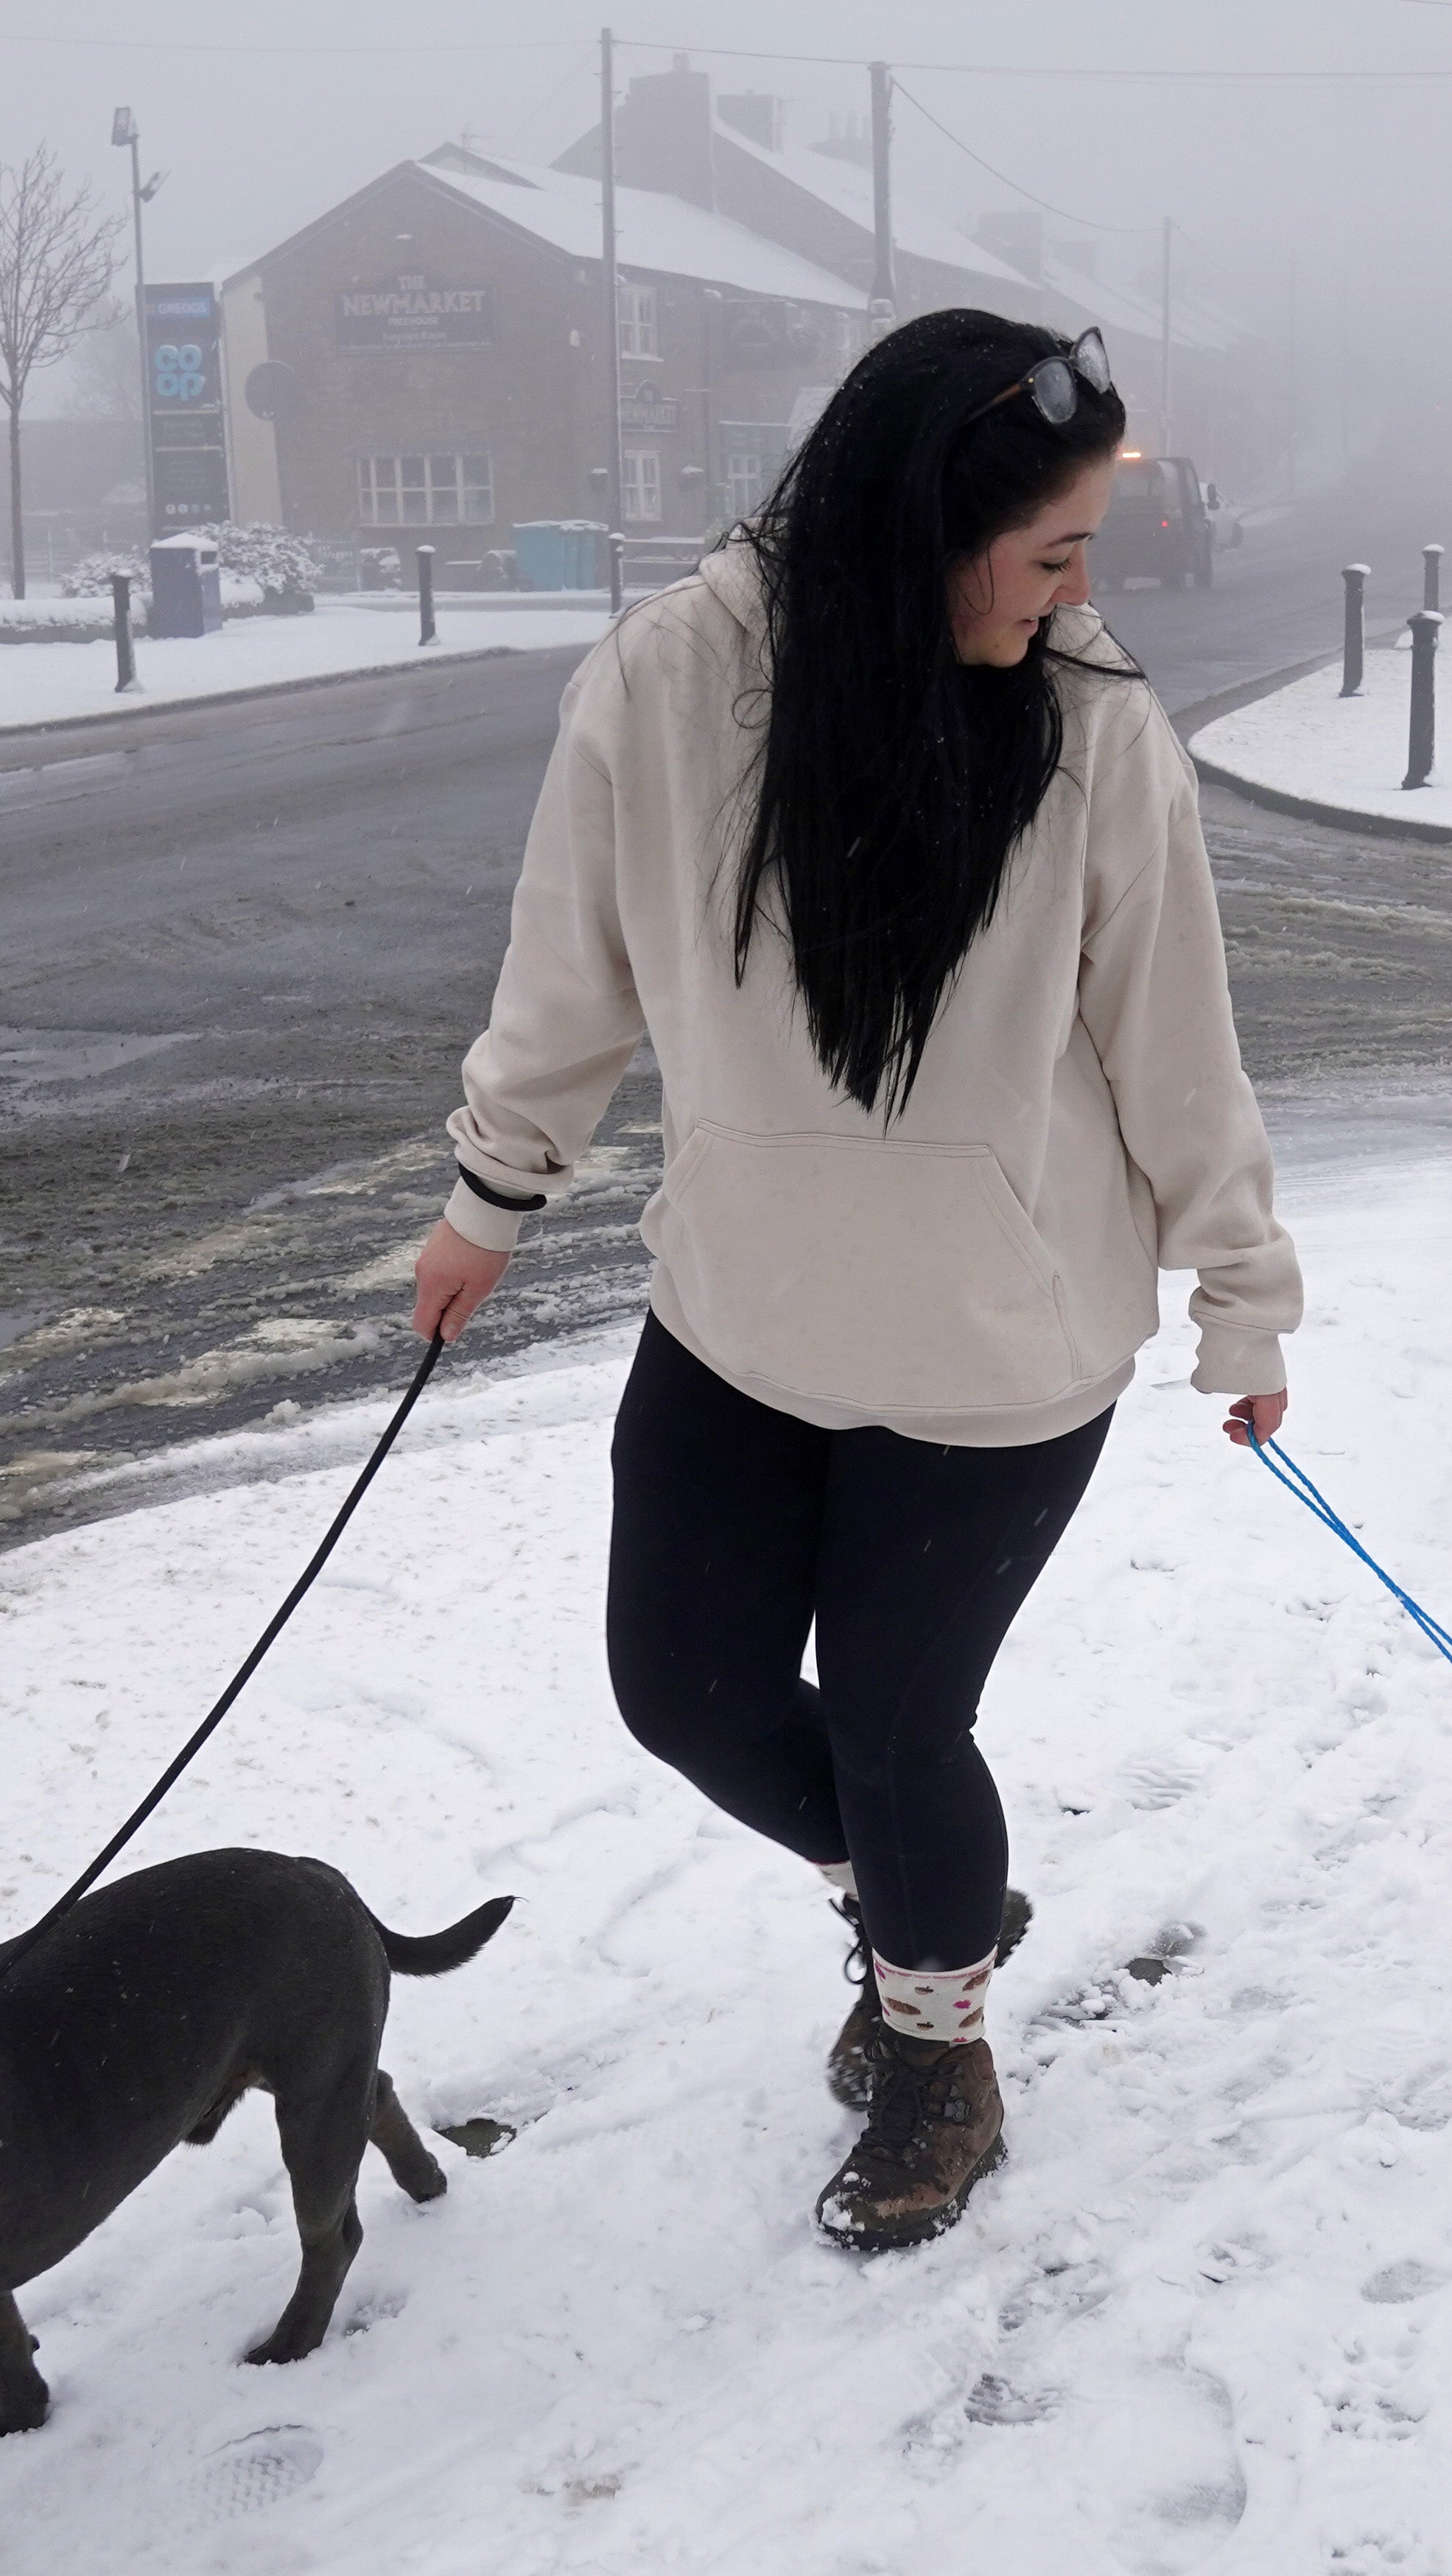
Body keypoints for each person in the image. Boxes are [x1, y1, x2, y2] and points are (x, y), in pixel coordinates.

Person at [405, 311, 1303, 2253]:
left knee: (904, 1725)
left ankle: (935, 2049)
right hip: (738, 1316)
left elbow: (1177, 1044)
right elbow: (573, 978)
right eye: (1050, 551)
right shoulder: (668, 685)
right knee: (685, 1691)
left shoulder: (1088, 728)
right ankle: (926, 1895)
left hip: (1001, 1349)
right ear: (917, 528)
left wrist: (1244, 1293)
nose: (1079, 593)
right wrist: (490, 1202)